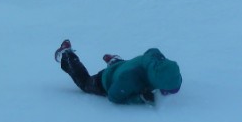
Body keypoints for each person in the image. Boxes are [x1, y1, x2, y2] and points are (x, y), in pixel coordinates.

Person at [54, 39, 182, 104]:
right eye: (165, 91)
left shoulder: (155, 58)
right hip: (105, 80)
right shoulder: (131, 79)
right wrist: (141, 98)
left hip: (125, 66)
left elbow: (153, 50)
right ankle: (67, 54)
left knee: (124, 68)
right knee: (85, 82)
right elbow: (114, 96)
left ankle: (114, 61)